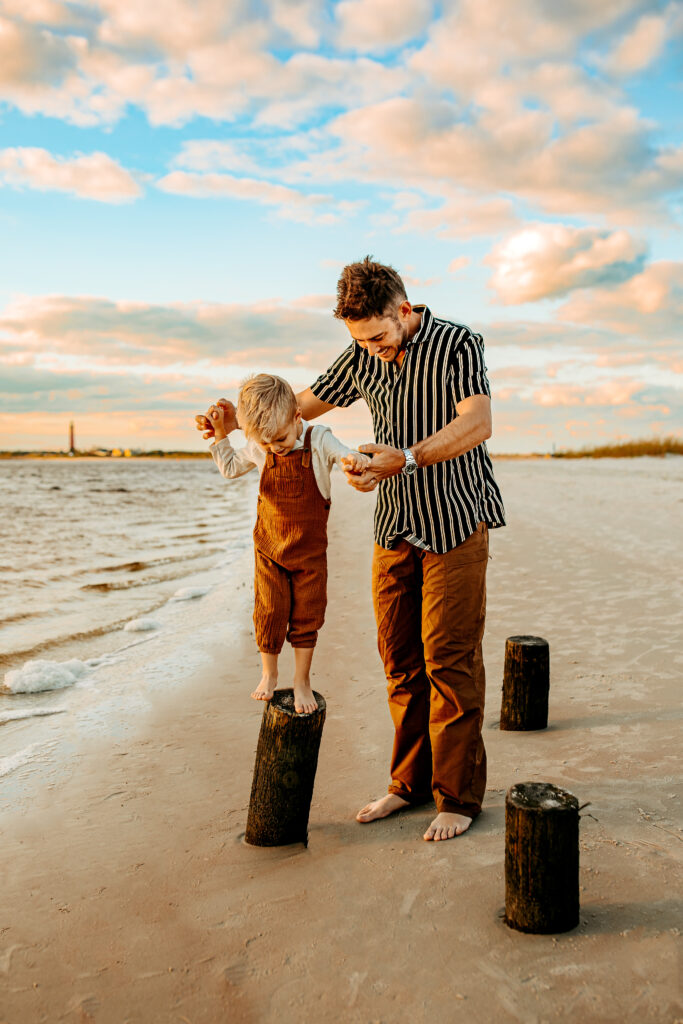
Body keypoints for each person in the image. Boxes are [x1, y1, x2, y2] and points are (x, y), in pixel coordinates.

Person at [299, 257, 506, 841]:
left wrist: (406, 457)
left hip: (455, 522)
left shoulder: (458, 344)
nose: (373, 349)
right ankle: (407, 784)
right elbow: (299, 406)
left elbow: (479, 422)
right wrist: (235, 418)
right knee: (399, 662)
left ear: (405, 312)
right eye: (361, 340)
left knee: (449, 659)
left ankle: (458, 799)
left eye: (380, 336)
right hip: (393, 528)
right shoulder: (365, 352)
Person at [198, 373, 370, 714]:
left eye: (279, 439)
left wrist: (354, 460)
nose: (274, 448)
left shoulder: (318, 439)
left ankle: (302, 680)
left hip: (309, 553)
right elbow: (231, 468)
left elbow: (343, 454)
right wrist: (220, 436)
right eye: (265, 444)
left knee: (307, 615)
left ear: (297, 417)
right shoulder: (262, 444)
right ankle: (269, 673)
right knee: (270, 611)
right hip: (269, 549)